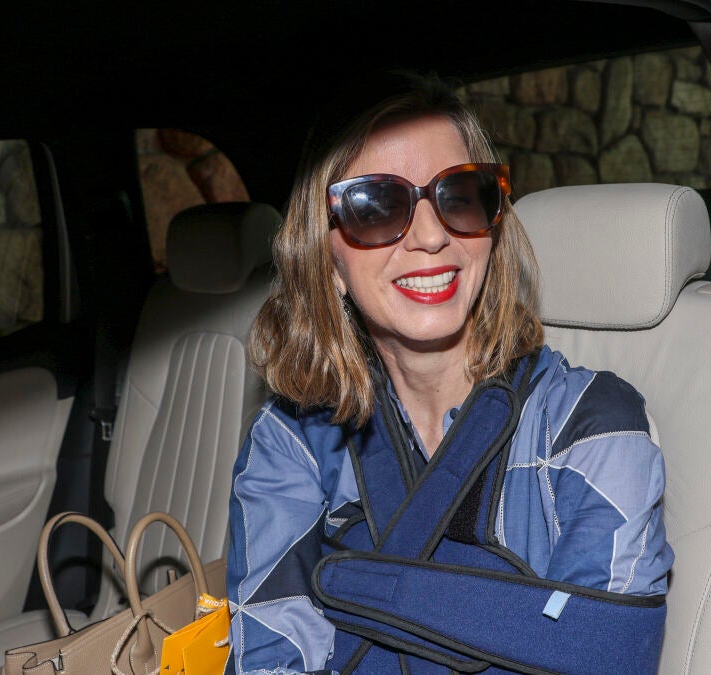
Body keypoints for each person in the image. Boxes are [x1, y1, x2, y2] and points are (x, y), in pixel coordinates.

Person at [226, 74, 674, 674]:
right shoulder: (292, 440)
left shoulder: (593, 426)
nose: (433, 236)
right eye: (375, 206)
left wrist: (348, 588)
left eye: (459, 195)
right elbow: (268, 658)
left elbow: (602, 655)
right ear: (326, 258)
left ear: (493, 224)